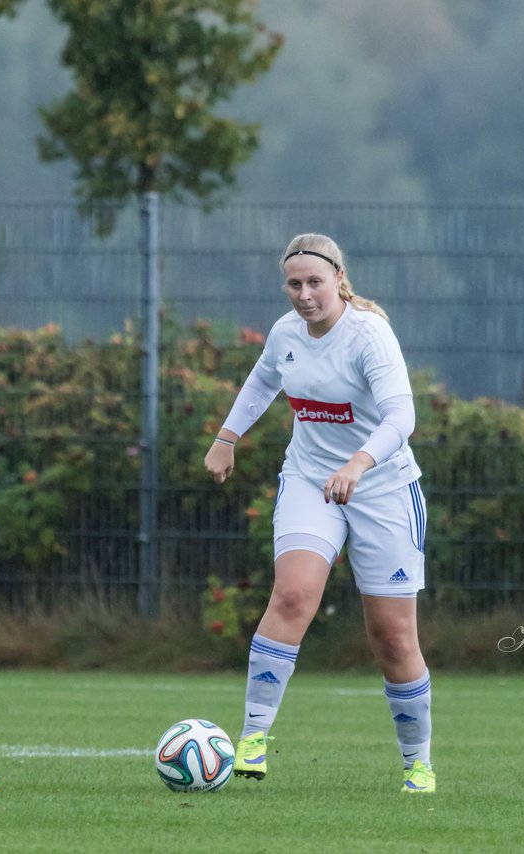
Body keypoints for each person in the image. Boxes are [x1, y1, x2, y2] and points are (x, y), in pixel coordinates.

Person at [204, 233, 434, 794]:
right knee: (292, 595)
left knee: (393, 639)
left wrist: (357, 464)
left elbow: (402, 417)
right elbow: (263, 380)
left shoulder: (368, 334)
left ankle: (418, 763)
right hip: (310, 481)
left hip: (381, 489)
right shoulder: (285, 334)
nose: (304, 295)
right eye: (293, 284)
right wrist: (227, 436)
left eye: (314, 283)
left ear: (338, 279)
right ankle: (253, 739)